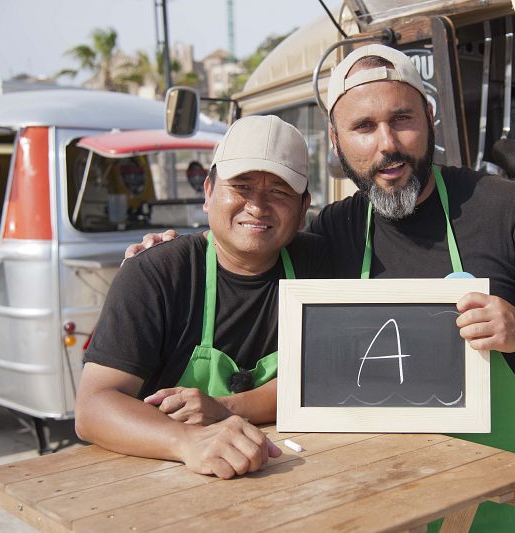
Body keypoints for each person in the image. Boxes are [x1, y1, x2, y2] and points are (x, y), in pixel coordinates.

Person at [126, 45, 515, 530]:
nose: (387, 143)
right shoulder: (332, 232)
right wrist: (173, 250)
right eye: (363, 127)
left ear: (429, 120)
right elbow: (248, 240)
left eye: (402, 119)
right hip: (389, 501)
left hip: (508, 503)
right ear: (337, 142)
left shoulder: (507, 209)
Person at [77, 115, 331, 480]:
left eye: (278, 191)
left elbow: (328, 377)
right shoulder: (155, 274)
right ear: (208, 192)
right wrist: (185, 442)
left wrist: (227, 408)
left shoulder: (322, 265)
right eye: (241, 186)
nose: (257, 206)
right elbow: (93, 407)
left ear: (304, 206)